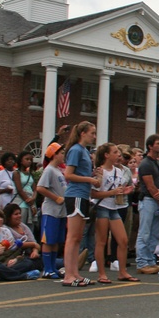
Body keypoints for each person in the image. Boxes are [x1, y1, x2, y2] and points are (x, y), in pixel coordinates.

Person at [92, 143, 138, 283]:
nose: (118, 155)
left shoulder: (119, 171)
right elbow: (93, 193)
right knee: (101, 241)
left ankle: (122, 272)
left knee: (123, 240)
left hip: (114, 207)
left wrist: (124, 191)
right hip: (102, 207)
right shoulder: (100, 171)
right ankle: (102, 274)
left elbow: (119, 190)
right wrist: (112, 192)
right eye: (115, 152)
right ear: (106, 155)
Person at [61, 122, 101, 287]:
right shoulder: (76, 150)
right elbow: (68, 174)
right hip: (75, 194)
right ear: (83, 133)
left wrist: (93, 175)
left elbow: (80, 172)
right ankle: (68, 274)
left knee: (78, 237)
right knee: (72, 236)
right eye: (92, 133)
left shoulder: (84, 151)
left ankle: (75, 272)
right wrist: (89, 179)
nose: (94, 136)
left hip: (83, 195)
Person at [136, 134, 159, 274]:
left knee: (155, 233)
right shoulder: (145, 164)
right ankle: (142, 262)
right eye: (158, 143)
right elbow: (150, 186)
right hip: (148, 200)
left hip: (158, 201)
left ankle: (150, 261)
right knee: (145, 232)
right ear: (150, 146)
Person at [36, 142, 68, 279]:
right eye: (61, 153)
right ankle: (47, 268)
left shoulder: (58, 170)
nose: (63, 155)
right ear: (54, 155)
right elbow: (40, 188)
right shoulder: (49, 170)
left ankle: (53, 266)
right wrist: (56, 198)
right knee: (48, 240)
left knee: (56, 240)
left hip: (61, 211)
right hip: (51, 210)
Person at [12, 151, 38, 232]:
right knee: (21, 224)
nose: (29, 161)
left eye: (31, 159)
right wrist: (29, 201)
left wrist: (33, 198)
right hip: (22, 202)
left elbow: (35, 189)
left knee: (30, 227)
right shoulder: (16, 173)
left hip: (31, 201)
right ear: (20, 161)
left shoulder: (30, 174)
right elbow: (19, 189)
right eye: (27, 159)